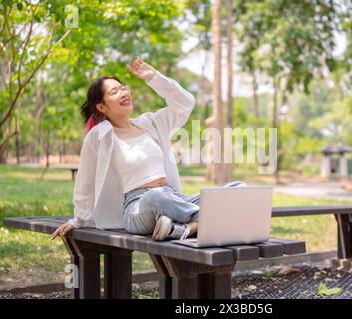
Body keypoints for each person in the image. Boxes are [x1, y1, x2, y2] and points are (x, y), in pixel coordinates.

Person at [51, 57, 245, 241]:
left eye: (123, 88)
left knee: (238, 189)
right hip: (138, 207)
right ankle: (210, 218)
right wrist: (77, 220)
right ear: (101, 107)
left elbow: (186, 103)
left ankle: (188, 228)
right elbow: (85, 180)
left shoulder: (151, 123)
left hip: (173, 197)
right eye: (114, 92)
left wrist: (154, 77)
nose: (123, 93)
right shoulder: (100, 136)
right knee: (157, 196)